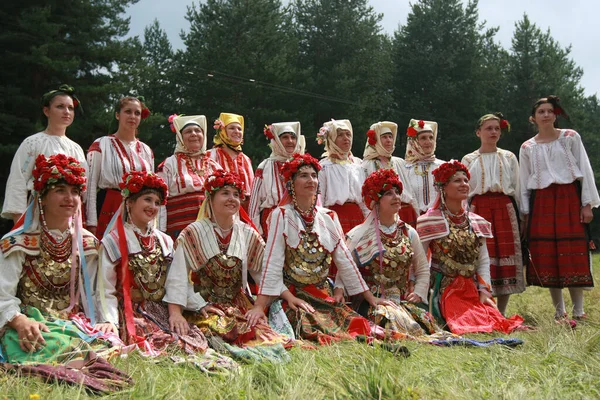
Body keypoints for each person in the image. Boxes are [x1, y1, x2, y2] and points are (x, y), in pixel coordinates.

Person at [0, 154, 130, 392]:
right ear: (42, 197)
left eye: (74, 191)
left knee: (106, 342)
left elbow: (95, 289)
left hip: (72, 321)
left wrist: (105, 321)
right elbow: (2, 293)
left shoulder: (88, 243)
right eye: (60, 190)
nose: (70, 198)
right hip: (31, 321)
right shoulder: (17, 243)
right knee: (38, 342)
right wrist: (18, 320)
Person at [246, 153, 394, 345]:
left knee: (349, 321)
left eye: (314, 175)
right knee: (307, 323)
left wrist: (369, 297)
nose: (311, 180)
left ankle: (370, 342)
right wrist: (262, 304)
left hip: (323, 292)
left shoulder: (328, 216)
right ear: (291, 183)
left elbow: (344, 261)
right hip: (293, 293)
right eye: (304, 175)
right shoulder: (281, 215)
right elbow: (272, 261)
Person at [165, 170, 289, 350]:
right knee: (218, 332)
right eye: (225, 193)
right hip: (205, 304)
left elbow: (265, 274)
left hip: (238, 304)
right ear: (210, 198)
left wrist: (259, 306)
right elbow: (178, 276)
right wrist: (178, 312)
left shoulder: (247, 233)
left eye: (236, 195)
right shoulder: (194, 232)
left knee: (262, 335)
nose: (232, 199)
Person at [94, 171, 208, 355]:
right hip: (132, 311)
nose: (153, 206)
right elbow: (105, 288)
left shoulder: (164, 241)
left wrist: (197, 305)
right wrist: (109, 320)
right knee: (163, 342)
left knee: (192, 338)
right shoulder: (112, 242)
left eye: (157, 202)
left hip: (161, 307)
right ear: (129, 202)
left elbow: (177, 280)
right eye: (147, 199)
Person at [417, 160, 524, 334]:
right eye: (457, 181)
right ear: (443, 187)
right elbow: (420, 261)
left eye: (466, 180)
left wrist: (484, 290)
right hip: (443, 288)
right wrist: (419, 293)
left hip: (471, 287)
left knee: (492, 320)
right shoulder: (430, 221)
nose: (464, 184)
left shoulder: (476, 222)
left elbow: (483, 260)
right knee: (465, 323)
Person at [519, 96, 598, 322]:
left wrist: (587, 204)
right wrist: (525, 214)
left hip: (568, 198)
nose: (545, 115)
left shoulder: (570, 137)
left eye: (549, 111)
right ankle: (559, 310)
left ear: (555, 115)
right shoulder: (527, 147)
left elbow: (585, 169)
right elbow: (524, 181)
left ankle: (579, 310)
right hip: (542, 202)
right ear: (533, 118)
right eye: (541, 111)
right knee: (549, 254)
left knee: (573, 251)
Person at [345, 169, 436, 337]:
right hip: (371, 302)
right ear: (376, 201)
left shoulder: (409, 232)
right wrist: (369, 296)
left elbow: (422, 269)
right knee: (386, 321)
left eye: (397, 192)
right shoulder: (359, 235)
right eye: (388, 193)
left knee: (425, 322)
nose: (396, 197)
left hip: (401, 300)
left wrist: (418, 292)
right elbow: (347, 271)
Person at [461, 113, 525, 316]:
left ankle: (502, 311)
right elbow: (464, 192)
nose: (494, 132)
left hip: (504, 208)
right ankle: (484, 309)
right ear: (478, 132)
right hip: (478, 209)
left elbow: (518, 186)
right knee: (481, 256)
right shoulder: (469, 159)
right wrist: (462, 216)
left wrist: (523, 216)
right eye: (489, 128)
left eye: (497, 128)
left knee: (503, 257)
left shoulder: (508, 157)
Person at [2, 85, 87, 224]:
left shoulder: (76, 148)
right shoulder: (32, 143)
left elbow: (83, 187)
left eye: (70, 108)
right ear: (46, 111)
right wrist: (19, 221)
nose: (67, 112)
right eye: (60, 106)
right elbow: (18, 181)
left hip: (69, 218)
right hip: (36, 215)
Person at [86, 96, 154, 239]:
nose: (132, 116)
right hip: (109, 205)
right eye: (128, 111)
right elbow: (90, 185)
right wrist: (91, 222)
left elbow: (152, 189)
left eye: (137, 113)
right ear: (118, 115)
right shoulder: (101, 144)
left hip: (139, 208)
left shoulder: (146, 150)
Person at [157, 114, 222, 240]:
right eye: (188, 131)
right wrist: (160, 234)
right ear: (180, 137)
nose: (194, 134)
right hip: (179, 231)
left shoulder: (214, 166)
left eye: (198, 130)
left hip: (211, 231)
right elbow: (160, 201)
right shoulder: (169, 164)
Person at [249, 122, 306, 237]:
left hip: (299, 218)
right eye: (285, 137)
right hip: (271, 220)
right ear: (277, 141)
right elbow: (254, 203)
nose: (290, 141)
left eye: (293, 137)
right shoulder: (264, 166)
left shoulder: (303, 165)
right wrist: (256, 232)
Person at [361, 121, 419, 226]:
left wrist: (417, 213)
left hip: (407, 212)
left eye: (390, 137)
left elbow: (411, 191)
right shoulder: (366, 165)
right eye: (384, 137)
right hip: (383, 215)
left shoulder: (399, 162)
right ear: (376, 140)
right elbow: (365, 196)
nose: (388, 140)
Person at [317, 119, 368, 235]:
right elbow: (320, 201)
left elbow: (364, 201)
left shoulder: (358, 166)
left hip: (358, 218)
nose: (346, 138)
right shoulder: (324, 167)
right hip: (334, 218)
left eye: (348, 134)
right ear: (331, 139)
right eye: (340, 135)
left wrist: (369, 223)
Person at [207, 113, 254, 211]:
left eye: (239, 129)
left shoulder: (246, 159)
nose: (237, 132)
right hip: (219, 210)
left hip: (245, 212)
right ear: (222, 131)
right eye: (232, 128)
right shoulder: (210, 155)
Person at [403, 119, 445, 214]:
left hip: (440, 218)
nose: (428, 142)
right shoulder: (405, 168)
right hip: (414, 219)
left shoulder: (443, 166)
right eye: (423, 138)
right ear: (414, 142)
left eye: (431, 138)